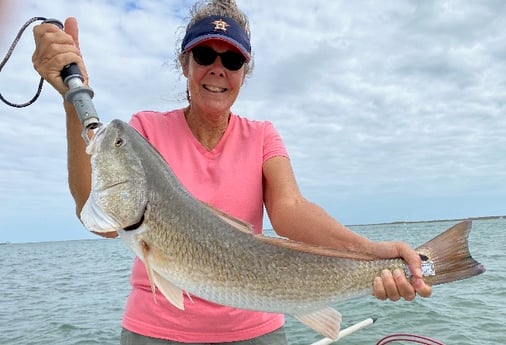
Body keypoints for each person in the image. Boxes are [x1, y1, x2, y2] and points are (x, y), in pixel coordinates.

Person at [32, 0, 432, 344]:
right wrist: (72, 99)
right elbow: (98, 215)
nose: (218, 68)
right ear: (185, 63)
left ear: (245, 70)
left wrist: (368, 252)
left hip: (259, 329)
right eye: (205, 55)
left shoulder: (262, 136)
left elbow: (290, 209)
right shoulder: (145, 132)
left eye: (233, 59)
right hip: (154, 332)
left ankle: (434, 263)